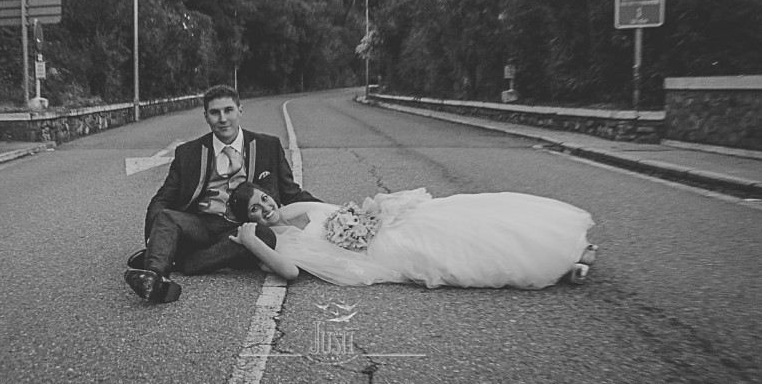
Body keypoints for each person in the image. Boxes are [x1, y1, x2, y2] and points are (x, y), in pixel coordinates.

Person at [123, 85, 321, 303]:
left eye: (229, 110)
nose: (223, 118)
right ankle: (155, 275)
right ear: (206, 117)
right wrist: (152, 238)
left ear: (240, 111)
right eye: (215, 113)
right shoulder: (188, 153)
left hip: (242, 226)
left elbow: (291, 193)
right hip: (200, 224)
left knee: (263, 236)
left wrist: (333, 214)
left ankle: (181, 260)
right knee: (167, 216)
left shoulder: (268, 146)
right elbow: (164, 198)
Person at [227, 182, 598, 289]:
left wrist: (372, 206)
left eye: (263, 198)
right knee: (455, 250)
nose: (266, 207)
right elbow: (289, 273)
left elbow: (340, 210)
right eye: (255, 210)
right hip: (382, 248)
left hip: (387, 222)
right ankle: (564, 263)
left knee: (465, 215)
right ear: (251, 220)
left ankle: (568, 247)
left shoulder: (291, 208)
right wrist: (250, 240)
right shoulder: (276, 243)